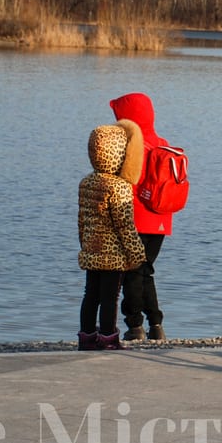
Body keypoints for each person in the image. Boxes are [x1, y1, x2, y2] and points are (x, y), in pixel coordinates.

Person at [77, 119, 147, 351]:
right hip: (113, 255)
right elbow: (125, 225)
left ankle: (87, 336)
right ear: (118, 154)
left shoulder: (86, 182)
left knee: (90, 295)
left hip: (91, 250)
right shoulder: (119, 187)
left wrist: (84, 244)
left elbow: (82, 221)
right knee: (109, 297)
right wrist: (136, 253)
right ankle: (108, 337)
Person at [109, 92, 174, 342]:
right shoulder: (162, 142)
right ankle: (156, 324)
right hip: (161, 220)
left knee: (132, 273)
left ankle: (135, 326)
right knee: (145, 271)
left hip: (135, 217)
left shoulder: (128, 145)